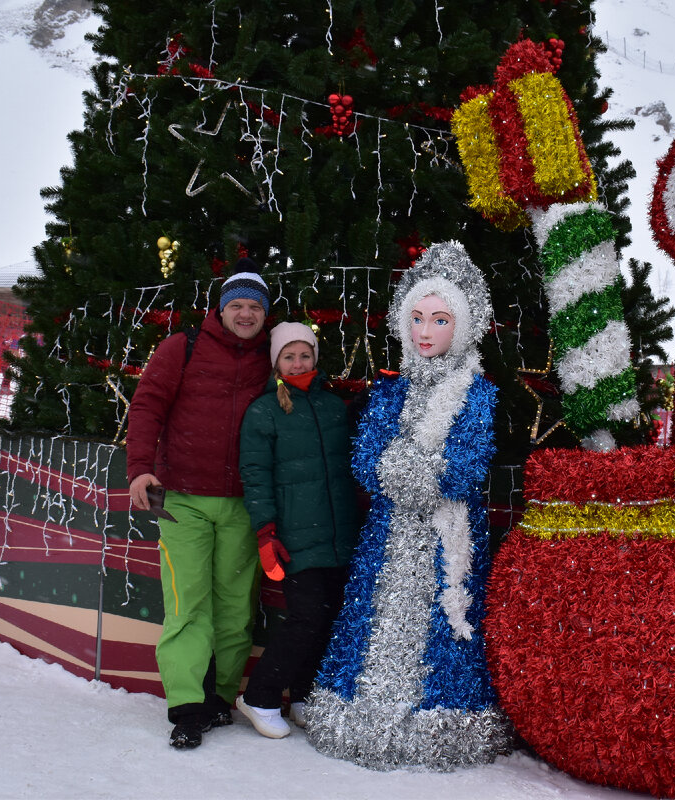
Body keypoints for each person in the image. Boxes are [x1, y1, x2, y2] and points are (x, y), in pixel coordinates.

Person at [306, 241, 512, 771]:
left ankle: (443, 721)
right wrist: (411, 473)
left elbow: (465, 467)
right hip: (388, 535)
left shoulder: (478, 394)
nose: (424, 332)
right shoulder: (388, 392)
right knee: (373, 617)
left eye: (439, 320)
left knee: (447, 627)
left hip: (450, 539)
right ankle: (361, 715)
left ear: (461, 327)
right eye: (416, 318)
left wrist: (412, 473)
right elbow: (368, 462)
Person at [125, 262, 271, 749]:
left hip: (244, 503)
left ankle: (220, 700)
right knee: (188, 603)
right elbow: (147, 404)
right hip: (182, 499)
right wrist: (140, 467)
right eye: (237, 305)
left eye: (255, 306)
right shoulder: (182, 347)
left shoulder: (271, 356)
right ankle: (187, 705)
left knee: (235, 608)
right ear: (221, 308)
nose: (246, 314)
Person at [234, 322, 359, 739]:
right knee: (305, 616)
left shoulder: (333, 406)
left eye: (304, 354)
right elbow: (256, 474)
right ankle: (260, 696)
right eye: (289, 356)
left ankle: (303, 695)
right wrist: (266, 532)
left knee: (327, 617)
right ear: (277, 363)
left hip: (339, 532)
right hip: (294, 534)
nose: (298, 362)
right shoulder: (265, 410)